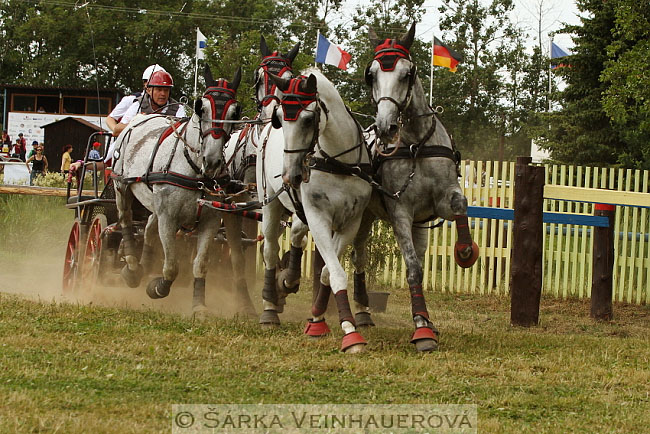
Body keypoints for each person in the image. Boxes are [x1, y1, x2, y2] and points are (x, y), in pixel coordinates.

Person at [112, 70, 185, 137]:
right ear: (148, 90)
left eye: (166, 90)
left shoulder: (178, 108)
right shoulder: (138, 105)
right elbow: (116, 131)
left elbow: (183, 133)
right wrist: (139, 124)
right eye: (159, 90)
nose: (163, 94)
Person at [105, 64, 166, 136]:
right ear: (145, 83)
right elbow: (110, 118)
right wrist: (118, 132)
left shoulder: (171, 104)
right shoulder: (132, 100)